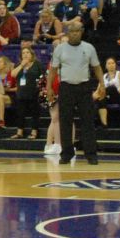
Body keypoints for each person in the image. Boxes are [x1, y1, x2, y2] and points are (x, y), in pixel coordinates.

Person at [49, 19, 100, 165]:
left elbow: (96, 67)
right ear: (68, 33)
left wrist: (101, 84)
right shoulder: (60, 49)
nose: (75, 34)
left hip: (84, 87)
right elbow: (53, 70)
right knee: (65, 121)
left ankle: (91, 154)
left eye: (77, 31)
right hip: (66, 87)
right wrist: (49, 88)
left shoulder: (89, 48)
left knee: (88, 121)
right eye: (72, 31)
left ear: (81, 32)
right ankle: (67, 153)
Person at [97, 56, 120, 128]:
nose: (111, 65)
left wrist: (110, 92)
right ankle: (104, 124)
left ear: (115, 65)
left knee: (111, 88)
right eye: (109, 63)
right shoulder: (103, 76)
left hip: (118, 97)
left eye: (113, 63)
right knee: (102, 98)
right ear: (106, 66)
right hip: (107, 98)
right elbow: (98, 90)